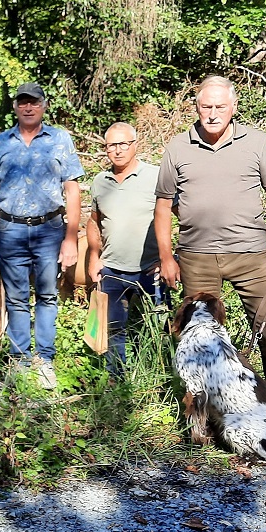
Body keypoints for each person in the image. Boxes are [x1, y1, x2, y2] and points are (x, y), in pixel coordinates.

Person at [153, 75, 266, 401]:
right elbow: (162, 207)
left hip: (251, 255)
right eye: (206, 106)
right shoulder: (178, 146)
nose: (213, 113)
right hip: (196, 257)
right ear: (197, 108)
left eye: (220, 106)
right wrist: (165, 257)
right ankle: (206, 409)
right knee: (199, 336)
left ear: (233, 107)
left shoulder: (257, 143)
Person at [0, 82, 84, 389]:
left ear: (43, 106)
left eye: (33, 103)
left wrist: (70, 237)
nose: (28, 108)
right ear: (15, 107)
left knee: (48, 295)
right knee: (16, 298)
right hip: (10, 230)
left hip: (49, 230)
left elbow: (72, 189)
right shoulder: (1, 143)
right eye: (22, 103)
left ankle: (45, 361)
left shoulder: (60, 139)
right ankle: (20, 360)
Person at [86, 122, 165, 377]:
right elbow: (93, 221)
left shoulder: (155, 176)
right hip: (112, 270)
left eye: (123, 144)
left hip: (150, 268)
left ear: (135, 145)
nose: (118, 150)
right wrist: (94, 258)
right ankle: (116, 381)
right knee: (113, 329)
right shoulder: (100, 182)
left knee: (155, 327)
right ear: (105, 149)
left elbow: (180, 216)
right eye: (112, 145)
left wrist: (169, 259)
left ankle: (155, 377)